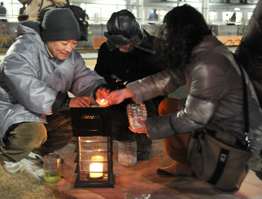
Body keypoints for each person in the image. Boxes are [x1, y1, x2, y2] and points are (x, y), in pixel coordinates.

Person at [106, 4, 262, 182]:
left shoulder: (208, 65)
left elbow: (193, 118)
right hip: (224, 120)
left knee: (175, 118)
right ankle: (188, 165)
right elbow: (168, 78)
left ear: (181, 35)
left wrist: (149, 127)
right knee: (167, 106)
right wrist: (127, 92)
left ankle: (220, 167)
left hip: (236, 138)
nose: (167, 39)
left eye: (168, 35)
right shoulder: (202, 50)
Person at [0, 8, 107, 174]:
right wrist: (64, 102)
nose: (69, 49)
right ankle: (10, 155)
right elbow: (25, 85)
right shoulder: (22, 50)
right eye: (64, 43)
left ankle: (41, 150)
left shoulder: (70, 56)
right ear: (49, 37)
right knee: (33, 132)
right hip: (12, 109)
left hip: (47, 108)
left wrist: (98, 90)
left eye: (73, 43)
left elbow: (82, 77)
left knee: (77, 119)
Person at [94, 9, 164, 160]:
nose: (121, 49)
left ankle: (143, 144)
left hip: (147, 97)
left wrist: (136, 91)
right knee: (114, 126)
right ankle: (122, 138)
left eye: (125, 44)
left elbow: (164, 80)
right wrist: (104, 89)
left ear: (136, 37)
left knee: (139, 119)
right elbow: (100, 73)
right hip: (116, 93)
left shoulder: (154, 48)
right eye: (117, 44)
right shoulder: (107, 49)